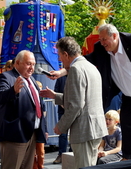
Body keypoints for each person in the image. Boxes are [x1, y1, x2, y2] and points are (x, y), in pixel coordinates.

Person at [47, 24, 131, 160]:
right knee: (126, 123)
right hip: (129, 93)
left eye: (104, 39)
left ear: (114, 36)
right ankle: (127, 157)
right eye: (100, 40)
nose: (102, 43)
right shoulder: (100, 49)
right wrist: (61, 72)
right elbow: (84, 61)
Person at [40, 36, 108, 169]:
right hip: (94, 129)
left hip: (84, 131)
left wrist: (61, 126)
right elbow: (83, 98)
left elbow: (76, 105)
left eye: (59, 55)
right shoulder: (90, 67)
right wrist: (56, 96)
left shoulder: (76, 69)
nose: (59, 59)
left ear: (66, 54)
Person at [0, 50, 47, 169]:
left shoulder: (31, 79)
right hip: (15, 135)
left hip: (32, 134)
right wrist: (13, 91)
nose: (31, 67)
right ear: (17, 63)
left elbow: (37, 107)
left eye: (33, 64)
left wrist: (44, 128)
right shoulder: (6, 77)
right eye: (28, 64)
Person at [52, 75, 72, 164]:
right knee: (62, 134)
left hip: (74, 110)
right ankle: (61, 155)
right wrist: (62, 104)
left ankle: (72, 153)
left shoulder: (76, 75)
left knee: (74, 133)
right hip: (62, 110)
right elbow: (56, 92)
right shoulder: (61, 78)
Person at [33, 81, 48, 169]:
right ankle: (34, 167)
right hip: (32, 127)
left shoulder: (42, 100)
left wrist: (46, 130)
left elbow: (44, 117)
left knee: (41, 152)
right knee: (33, 153)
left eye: (41, 87)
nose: (40, 89)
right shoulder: (30, 97)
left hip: (40, 128)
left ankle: (40, 166)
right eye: (38, 87)